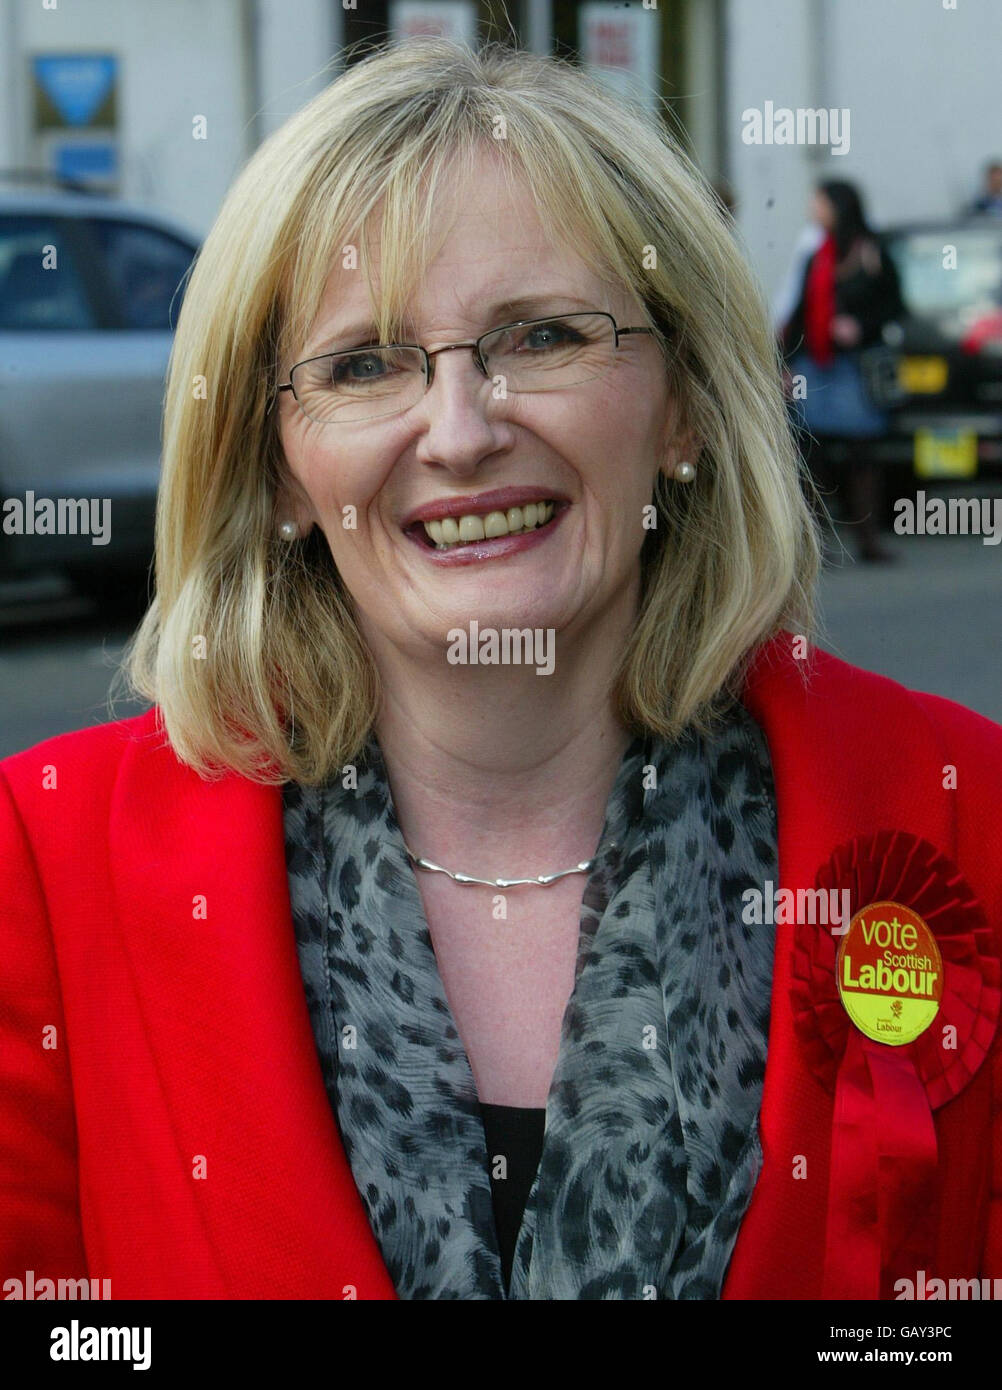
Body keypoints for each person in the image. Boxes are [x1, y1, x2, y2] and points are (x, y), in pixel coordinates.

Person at [1, 38, 1000, 1302]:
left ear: (685, 404)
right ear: (273, 468)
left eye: (541, 334)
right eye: (364, 364)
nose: (464, 431)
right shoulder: (41, 865)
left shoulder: (966, 809)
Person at [781, 180, 905, 563]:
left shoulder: (872, 251)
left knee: (862, 451)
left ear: (839, 205)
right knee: (811, 452)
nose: (813, 208)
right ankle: (818, 543)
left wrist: (860, 327)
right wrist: (785, 362)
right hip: (816, 364)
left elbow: (896, 305)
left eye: (819, 201)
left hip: (854, 366)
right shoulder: (816, 254)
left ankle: (868, 538)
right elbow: (798, 313)